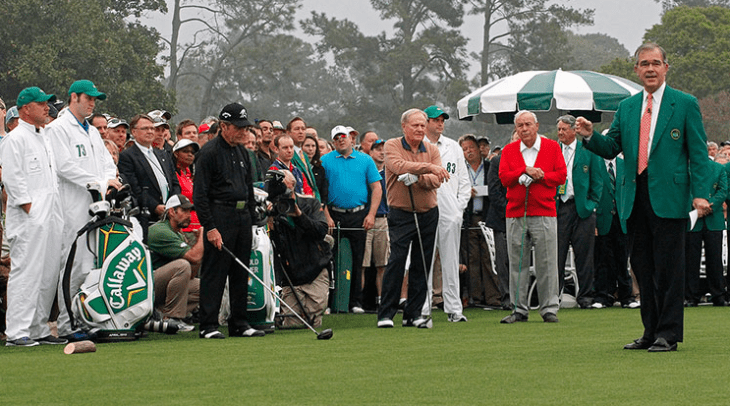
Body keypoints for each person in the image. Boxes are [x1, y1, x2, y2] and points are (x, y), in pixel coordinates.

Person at [575, 42, 712, 352]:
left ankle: (668, 333)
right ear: (636, 69)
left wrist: (701, 194)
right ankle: (650, 331)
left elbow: (699, 153)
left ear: (665, 67)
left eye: (655, 63)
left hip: (671, 197)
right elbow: (612, 148)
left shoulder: (685, 103)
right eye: (644, 64)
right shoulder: (627, 107)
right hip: (633, 198)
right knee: (643, 268)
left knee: (669, 269)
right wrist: (588, 135)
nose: (650, 69)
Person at [47, 79, 121, 341]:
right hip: (71, 208)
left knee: (89, 268)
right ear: (74, 97)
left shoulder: (90, 131)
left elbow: (107, 163)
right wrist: (100, 182)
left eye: (94, 100)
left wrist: (109, 181)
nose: (92, 103)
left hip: (95, 208)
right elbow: (64, 167)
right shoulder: (58, 128)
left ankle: (82, 319)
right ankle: (67, 325)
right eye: (88, 98)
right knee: (72, 266)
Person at [193, 102, 265, 339]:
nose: (244, 132)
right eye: (238, 127)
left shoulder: (243, 152)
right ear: (223, 126)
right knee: (215, 271)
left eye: (245, 127)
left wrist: (254, 224)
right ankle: (208, 325)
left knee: (240, 271)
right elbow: (200, 195)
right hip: (220, 215)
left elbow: (248, 189)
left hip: (242, 216)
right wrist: (210, 227)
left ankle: (239, 323)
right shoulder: (209, 153)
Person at [2, 87, 67, 347]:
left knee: (48, 273)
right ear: (26, 108)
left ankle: (39, 327)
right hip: (30, 217)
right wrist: (30, 209)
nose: (46, 108)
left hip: (51, 213)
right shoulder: (15, 138)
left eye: (47, 104)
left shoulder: (45, 136)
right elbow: (12, 178)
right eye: (41, 104)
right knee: (26, 272)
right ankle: (17, 331)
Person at [376, 109, 449, 328]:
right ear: (404, 127)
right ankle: (386, 313)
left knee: (422, 263)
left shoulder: (432, 149)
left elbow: (436, 181)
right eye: (415, 125)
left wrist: (417, 178)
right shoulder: (392, 145)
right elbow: (397, 166)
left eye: (422, 125)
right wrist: (427, 169)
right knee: (397, 260)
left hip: (428, 212)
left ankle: (413, 313)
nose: (419, 129)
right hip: (401, 212)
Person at [499, 110, 566, 324]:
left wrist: (542, 175)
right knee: (518, 263)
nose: (524, 129)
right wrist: (523, 171)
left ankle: (549, 308)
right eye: (520, 125)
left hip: (544, 211)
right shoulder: (509, 151)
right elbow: (504, 177)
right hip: (516, 212)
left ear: (536, 126)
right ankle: (519, 309)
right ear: (516, 129)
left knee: (547, 262)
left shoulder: (552, 147)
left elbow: (561, 175)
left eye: (528, 124)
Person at [322, 125, 382, 314]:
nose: (341, 140)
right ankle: (331, 302)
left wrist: (371, 214)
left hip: (359, 214)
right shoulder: (325, 160)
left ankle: (355, 301)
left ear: (351, 139)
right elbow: (320, 192)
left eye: (344, 137)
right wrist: (327, 216)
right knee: (330, 260)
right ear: (333, 142)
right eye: (337, 138)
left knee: (358, 260)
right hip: (334, 214)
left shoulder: (365, 160)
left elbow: (377, 188)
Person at [422, 105, 471, 322]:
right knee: (424, 260)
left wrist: (458, 209)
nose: (440, 123)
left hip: (450, 211)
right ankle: (423, 309)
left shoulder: (453, 147)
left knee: (451, 261)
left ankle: (454, 309)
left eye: (442, 120)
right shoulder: (417, 146)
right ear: (426, 122)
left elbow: (463, 181)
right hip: (425, 209)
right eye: (436, 120)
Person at [267, 170, 331, 328]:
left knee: (313, 318)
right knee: (293, 324)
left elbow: (320, 231)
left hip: (314, 270)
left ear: (293, 185)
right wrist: (269, 221)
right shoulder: (272, 209)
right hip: (291, 277)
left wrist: (298, 214)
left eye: (285, 185)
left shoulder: (310, 203)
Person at [554, 114, 603, 309]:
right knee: (557, 254)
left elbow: (598, 180)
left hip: (582, 207)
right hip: (559, 208)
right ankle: (554, 295)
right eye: (558, 129)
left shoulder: (588, 149)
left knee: (584, 255)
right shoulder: (553, 150)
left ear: (574, 130)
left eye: (564, 129)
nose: (560, 133)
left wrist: (591, 204)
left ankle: (586, 297)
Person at [118, 114, 181, 241]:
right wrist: (155, 207)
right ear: (134, 132)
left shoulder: (162, 153)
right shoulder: (127, 156)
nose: (150, 131)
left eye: (152, 128)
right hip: (148, 218)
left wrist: (172, 205)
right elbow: (135, 188)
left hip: (170, 216)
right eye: (145, 128)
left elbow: (174, 182)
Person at [147, 194, 202, 332]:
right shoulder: (160, 230)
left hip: (162, 285)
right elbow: (192, 258)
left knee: (205, 287)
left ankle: (161, 313)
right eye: (184, 211)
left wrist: (196, 244)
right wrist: (202, 239)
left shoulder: (177, 233)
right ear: (171, 212)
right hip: (147, 286)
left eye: (190, 211)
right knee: (181, 266)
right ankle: (172, 318)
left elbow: (191, 274)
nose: (189, 215)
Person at [459, 134, 502, 309]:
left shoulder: (490, 166)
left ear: (479, 149)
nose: (469, 151)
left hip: (487, 217)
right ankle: (475, 297)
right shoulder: (461, 169)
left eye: (471, 148)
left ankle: (494, 297)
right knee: (472, 259)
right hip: (469, 218)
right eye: (464, 149)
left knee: (490, 258)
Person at [592, 155, 639, 309]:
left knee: (622, 257)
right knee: (603, 259)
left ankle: (627, 296)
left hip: (622, 218)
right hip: (602, 218)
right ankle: (603, 296)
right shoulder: (595, 163)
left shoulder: (625, 164)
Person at [684, 159, 728, 307]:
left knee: (715, 259)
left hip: (713, 219)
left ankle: (718, 295)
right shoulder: (685, 167)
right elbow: (684, 189)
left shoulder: (718, 168)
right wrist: (696, 205)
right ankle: (691, 295)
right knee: (691, 259)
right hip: (692, 219)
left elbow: (723, 190)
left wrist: (708, 206)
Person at [363, 139, 389, 307]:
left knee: (383, 264)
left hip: (384, 220)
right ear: (370, 152)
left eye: (384, 149)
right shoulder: (364, 171)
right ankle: (358, 301)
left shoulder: (391, 173)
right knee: (363, 264)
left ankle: (382, 300)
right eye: (377, 149)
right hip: (365, 220)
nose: (381, 152)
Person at [288, 117, 321, 201]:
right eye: (297, 129)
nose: (300, 132)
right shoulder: (288, 155)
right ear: (288, 133)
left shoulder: (304, 155)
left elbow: (312, 184)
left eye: (303, 129)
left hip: (312, 204)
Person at [172, 138, 201, 232]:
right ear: (176, 154)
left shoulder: (190, 175)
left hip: (199, 226)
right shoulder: (173, 175)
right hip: (185, 228)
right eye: (185, 151)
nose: (190, 154)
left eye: (192, 152)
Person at [302, 134, 328, 205]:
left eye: (313, 146)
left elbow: (324, 192)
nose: (310, 149)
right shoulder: (297, 167)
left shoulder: (320, 169)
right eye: (307, 146)